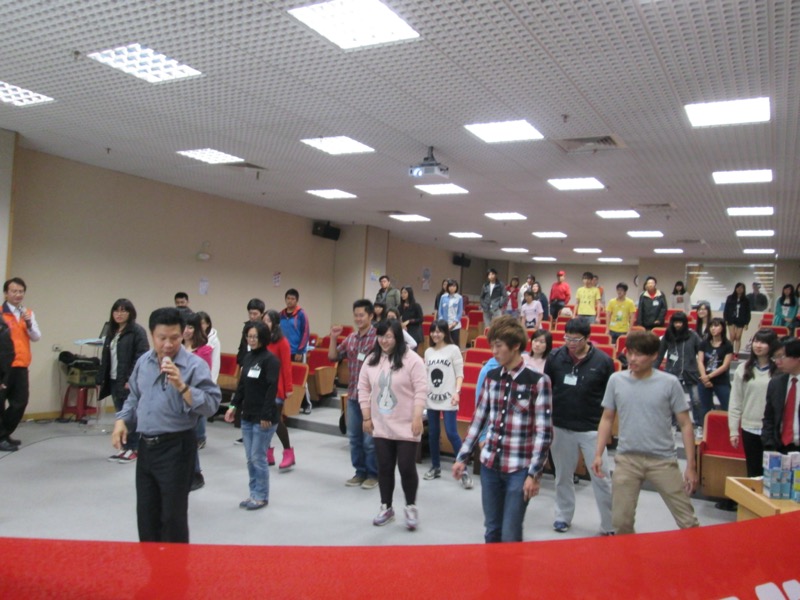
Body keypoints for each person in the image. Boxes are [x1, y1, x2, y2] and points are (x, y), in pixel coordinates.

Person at [111, 307, 221, 543]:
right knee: (146, 516)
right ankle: (152, 563)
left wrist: (182, 386)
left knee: (172, 518)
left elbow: (211, 405)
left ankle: (175, 565)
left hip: (177, 447)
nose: (168, 344)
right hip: (146, 447)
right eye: (162, 338)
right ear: (152, 335)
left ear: (183, 334)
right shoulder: (144, 362)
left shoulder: (194, 366)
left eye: (174, 337)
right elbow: (134, 397)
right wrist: (122, 420)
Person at [453, 316, 553, 543]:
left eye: (498, 346)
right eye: (492, 346)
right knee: (492, 529)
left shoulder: (538, 381)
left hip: (519, 468)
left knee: (510, 533)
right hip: (490, 465)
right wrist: (462, 457)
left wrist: (534, 474)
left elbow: (544, 433)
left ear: (515, 345)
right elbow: (479, 419)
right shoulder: (491, 377)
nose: (494, 352)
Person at [592, 331, 699, 535]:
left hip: (662, 460)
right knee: (620, 522)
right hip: (627, 460)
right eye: (629, 353)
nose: (632, 359)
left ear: (653, 356)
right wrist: (598, 453)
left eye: (639, 354)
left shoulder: (669, 383)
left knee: (687, 521)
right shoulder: (616, 380)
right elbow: (607, 418)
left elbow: (686, 424)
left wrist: (691, 466)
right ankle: (628, 555)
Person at [544, 318, 615, 535]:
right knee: (563, 477)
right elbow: (547, 388)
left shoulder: (603, 361)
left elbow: (610, 398)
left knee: (601, 478)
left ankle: (610, 524)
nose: (571, 343)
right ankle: (562, 517)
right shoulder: (555, 357)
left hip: (591, 429)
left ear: (587, 338)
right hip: (561, 426)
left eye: (576, 340)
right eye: (567, 338)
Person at [359, 320, 427, 529]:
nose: (384, 341)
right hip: (381, 424)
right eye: (380, 336)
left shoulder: (412, 360)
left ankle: (410, 506)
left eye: (388, 336)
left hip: (407, 423)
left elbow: (421, 390)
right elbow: (363, 388)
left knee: (406, 467)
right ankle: (386, 507)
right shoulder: (371, 359)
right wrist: (366, 416)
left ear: (397, 337)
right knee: (385, 467)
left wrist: (417, 417)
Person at [223, 321, 280, 511]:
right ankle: (253, 493)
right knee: (250, 458)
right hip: (247, 415)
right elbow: (242, 386)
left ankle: (261, 496)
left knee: (258, 457)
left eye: (255, 336)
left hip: (264, 417)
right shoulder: (248, 357)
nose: (252, 340)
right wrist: (232, 406)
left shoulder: (271, 360)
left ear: (263, 338)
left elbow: (271, 389)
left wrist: (265, 415)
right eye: (249, 336)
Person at [329, 299, 379, 489]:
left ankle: (373, 474)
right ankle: (360, 472)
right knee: (354, 438)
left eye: (362, 315)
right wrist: (333, 337)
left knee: (369, 440)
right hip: (353, 395)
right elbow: (333, 356)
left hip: (372, 398)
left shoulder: (378, 338)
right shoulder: (350, 338)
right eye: (356, 315)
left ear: (371, 316)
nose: (358, 318)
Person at [100, 299, 150, 463]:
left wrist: (131, 378)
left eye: (123, 311)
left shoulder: (137, 331)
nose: (119, 314)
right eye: (116, 311)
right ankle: (124, 448)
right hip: (114, 378)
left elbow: (141, 357)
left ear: (130, 313)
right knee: (121, 413)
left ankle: (133, 448)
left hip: (128, 380)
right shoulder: (112, 331)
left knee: (131, 415)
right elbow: (107, 357)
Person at [423, 320, 470, 488]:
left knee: (451, 433)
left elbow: (460, 374)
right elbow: (426, 375)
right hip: (431, 397)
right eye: (433, 331)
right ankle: (435, 467)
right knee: (433, 433)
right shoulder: (428, 352)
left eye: (439, 331)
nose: (435, 334)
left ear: (445, 333)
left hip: (449, 397)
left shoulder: (453, 349)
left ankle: (463, 470)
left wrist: (457, 392)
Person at [729, 328, 778, 476]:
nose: (758, 345)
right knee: (753, 472)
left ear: (772, 345)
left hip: (772, 429)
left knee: (772, 473)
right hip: (749, 427)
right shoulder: (743, 369)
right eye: (756, 341)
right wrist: (733, 430)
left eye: (763, 342)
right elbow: (735, 400)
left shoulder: (779, 370)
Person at [0, 277, 42, 452]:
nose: (18, 294)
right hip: (3, 366)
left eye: (21, 291)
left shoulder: (28, 313)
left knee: (20, 402)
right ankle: (2, 437)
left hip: (21, 364)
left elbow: (36, 337)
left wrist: (29, 323)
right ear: (6, 293)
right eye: (14, 291)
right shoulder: (0, 313)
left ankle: (3, 433)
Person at [656, 312, 704, 437]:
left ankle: (699, 425)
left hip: (691, 372)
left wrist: (703, 371)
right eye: (675, 322)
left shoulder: (693, 335)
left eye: (680, 322)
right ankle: (672, 425)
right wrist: (653, 370)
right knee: (671, 401)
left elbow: (701, 351)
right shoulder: (668, 335)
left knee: (696, 400)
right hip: (672, 372)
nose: (678, 325)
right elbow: (659, 355)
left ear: (684, 323)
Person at [182, 312, 213, 490]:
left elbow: (203, 376)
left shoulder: (203, 350)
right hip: (176, 399)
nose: (186, 331)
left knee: (189, 438)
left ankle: (196, 474)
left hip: (193, 397)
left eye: (190, 327)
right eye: (184, 327)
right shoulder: (177, 349)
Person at [263, 309, 296, 471]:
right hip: (263, 387)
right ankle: (268, 453)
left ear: (275, 323)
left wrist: (288, 388)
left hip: (277, 387)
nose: (265, 324)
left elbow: (287, 367)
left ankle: (288, 452)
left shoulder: (282, 342)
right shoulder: (263, 340)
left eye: (268, 321)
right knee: (264, 421)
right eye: (263, 321)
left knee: (275, 421)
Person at [762, 337, 800, 454]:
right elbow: (769, 418)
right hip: (780, 448)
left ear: (797, 357)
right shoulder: (776, 383)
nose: (777, 361)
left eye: (781, 356)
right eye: (775, 357)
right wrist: (769, 443)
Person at [697, 317, 733, 418]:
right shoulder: (704, 343)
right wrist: (704, 377)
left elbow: (725, 366)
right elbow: (700, 361)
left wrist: (709, 377)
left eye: (716, 326)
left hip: (721, 380)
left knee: (728, 406)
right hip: (704, 380)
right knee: (705, 408)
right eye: (711, 326)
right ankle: (704, 426)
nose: (713, 328)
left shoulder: (727, 345)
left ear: (722, 328)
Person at [280, 288, 311, 363]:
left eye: (292, 299)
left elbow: (305, 333)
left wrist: (300, 351)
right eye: (288, 298)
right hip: (283, 350)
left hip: (296, 351)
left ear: (297, 300)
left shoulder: (301, 314)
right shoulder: (281, 314)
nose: (290, 301)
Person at [723, 282, 751, 360]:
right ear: (735, 288)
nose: (739, 289)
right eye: (738, 287)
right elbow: (726, 309)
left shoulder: (746, 300)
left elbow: (748, 312)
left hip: (741, 320)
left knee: (738, 337)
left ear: (744, 289)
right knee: (732, 336)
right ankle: (730, 353)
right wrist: (725, 319)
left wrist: (747, 323)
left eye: (741, 288)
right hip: (731, 319)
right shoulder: (730, 298)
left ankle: (736, 354)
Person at [437, 279, 464, 346]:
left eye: (454, 286)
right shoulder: (443, 297)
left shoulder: (459, 297)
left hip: (455, 325)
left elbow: (459, 312)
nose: (452, 288)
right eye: (450, 286)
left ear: (456, 287)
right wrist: (442, 322)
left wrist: (453, 324)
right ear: (448, 287)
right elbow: (440, 310)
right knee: (444, 344)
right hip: (444, 325)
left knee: (454, 344)